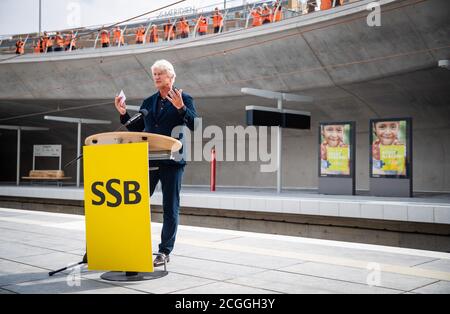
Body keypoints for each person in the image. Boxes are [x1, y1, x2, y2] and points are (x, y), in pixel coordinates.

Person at [114, 59, 198, 267]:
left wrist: (181, 109)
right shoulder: (148, 102)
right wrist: (123, 113)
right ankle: (131, 243)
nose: (157, 77)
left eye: (160, 73)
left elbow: (194, 124)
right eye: (155, 74)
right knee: (137, 202)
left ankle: (164, 251)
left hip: (173, 161)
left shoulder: (184, 98)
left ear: (171, 76)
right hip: (150, 160)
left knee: (170, 208)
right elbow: (136, 127)